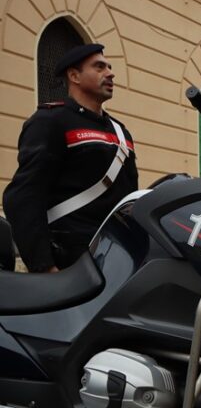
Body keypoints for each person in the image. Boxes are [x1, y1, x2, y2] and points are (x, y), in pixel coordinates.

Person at [3, 44, 138, 272]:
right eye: (99, 67)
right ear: (74, 76)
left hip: (117, 255)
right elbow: (24, 197)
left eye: (109, 67)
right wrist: (44, 266)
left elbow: (129, 197)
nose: (110, 73)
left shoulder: (120, 132)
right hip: (71, 260)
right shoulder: (51, 121)